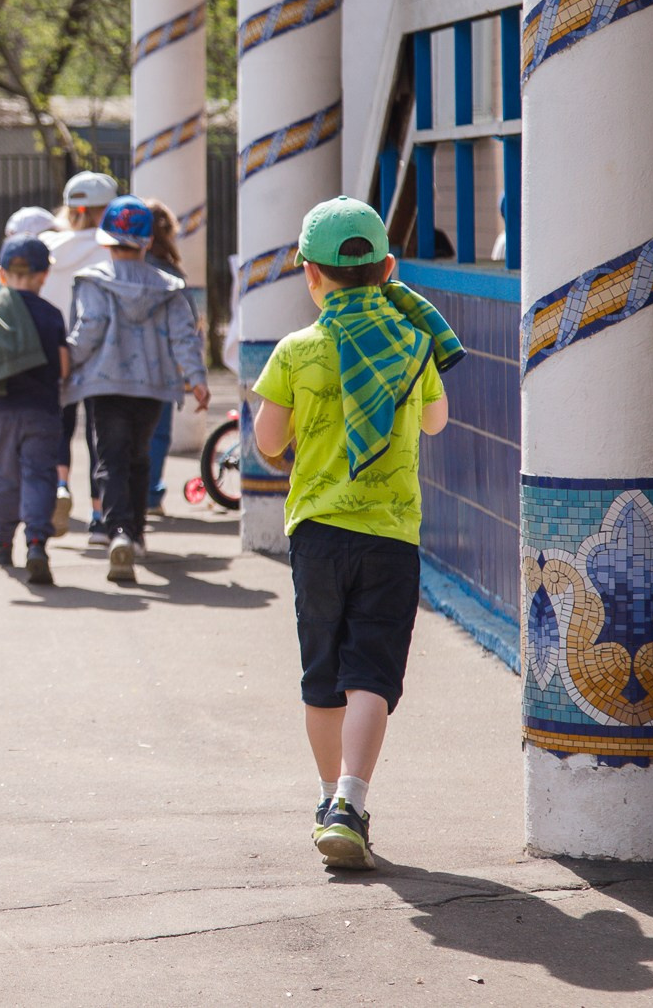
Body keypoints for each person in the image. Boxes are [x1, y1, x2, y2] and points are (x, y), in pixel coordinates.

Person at [250, 196, 457, 871]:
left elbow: (268, 444)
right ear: (388, 268)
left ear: (309, 273)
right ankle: (353, 798)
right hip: (390, 535)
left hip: (315, 533)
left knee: (323, 676)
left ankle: (324, 799)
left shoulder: (296, 351)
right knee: (372, 673)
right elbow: (435, 423)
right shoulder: (410, 346)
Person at [62, 197, 209, 584]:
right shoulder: (170, 287)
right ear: (147, 241)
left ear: (106, 240)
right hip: (153, 387)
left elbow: (88, 328)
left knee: (109, 460)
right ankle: (138, 534)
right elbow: (184, 337)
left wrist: (67, 362)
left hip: (105, 385)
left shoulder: (94, 280)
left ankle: (118, 532)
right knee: (139, 457)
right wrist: (196, 378)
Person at [0, 236, 69, 586]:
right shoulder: (51, 314)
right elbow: (64, 367)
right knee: (39, 475)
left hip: (2, 410)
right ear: (44, 275)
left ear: (0, 273)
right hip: (44, 411)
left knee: (5, 476)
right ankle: (36, 543)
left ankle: (1, 542)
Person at [40, 171, 117, 542]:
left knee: (60, 426)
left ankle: (59, 488)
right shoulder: (109, 247)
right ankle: (100, 518)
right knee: (98, 434)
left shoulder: (44, 245)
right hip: (99, 349)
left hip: (51, 350)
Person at [141, 199, 196, 513]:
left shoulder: (128, 267)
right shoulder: (172, 273)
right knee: (158, 434)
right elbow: (187, 321)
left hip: (128, 365)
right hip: (164, 366)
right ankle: (150, 495)